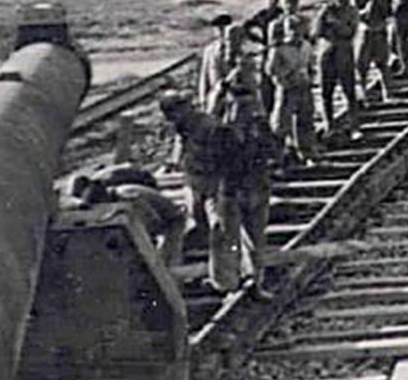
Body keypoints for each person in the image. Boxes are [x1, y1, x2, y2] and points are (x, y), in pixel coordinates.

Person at [210, 57, 283, 300]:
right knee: (231, 241)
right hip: (233, 191)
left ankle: (254, 282)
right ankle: (231, 286)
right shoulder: (221, 132)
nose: (245, 108)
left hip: (253, 188)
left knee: (253, 240)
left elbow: (276, 151)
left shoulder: (255, 126)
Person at [71, 171, 187, 269]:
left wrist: (149, 238)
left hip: (173, 220)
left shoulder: (127, 195)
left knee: (165, 264)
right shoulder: (117, 194)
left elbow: (153, 218)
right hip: (165, 219)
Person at [159, 91, 223, 252]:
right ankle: (204, 244)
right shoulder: (181, 124)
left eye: (173, 114)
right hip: (193, 176)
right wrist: (173, 162)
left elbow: (222, 150)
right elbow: (179, 144)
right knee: (195, 211)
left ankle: (221, 248)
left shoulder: (207, 124)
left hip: (211, 176)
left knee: (215, 214)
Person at [266, 18, 317, 166]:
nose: (294, 31)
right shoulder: (279, 48)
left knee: (305, 120)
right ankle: (279, 158)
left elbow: (310, 64)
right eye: (291, 28)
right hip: (287, 89)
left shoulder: (306, 46)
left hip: (303, 87)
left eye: (297, 28)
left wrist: (310, 77)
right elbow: (271, 70)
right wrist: (285, 77)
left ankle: (306, 153)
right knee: (281, 124)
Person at [314, 0, 360, 136]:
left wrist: (333, 22)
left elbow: (348, 32)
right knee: (326, 92)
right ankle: (329, 125)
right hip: (327, 55)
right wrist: (322, 15)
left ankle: (354, 126)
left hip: (344, 54)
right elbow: (316, 32)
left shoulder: (352, 12)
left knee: (349, 91)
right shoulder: (327, 11)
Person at [355, 0, 395, 102]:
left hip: (379, 30)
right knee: (362, 65)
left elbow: (388, 12)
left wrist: (380, 3)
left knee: (383, 63)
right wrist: (365, 10)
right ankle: (364, 93)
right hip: (365, 31)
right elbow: (354, 15)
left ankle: (387, 93)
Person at [196, 14, 237, 116]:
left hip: (233, 98)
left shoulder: (237, 49)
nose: (220, 31)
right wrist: (202, 98)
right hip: (214, 98)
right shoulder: (209, 50)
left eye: (223, 28)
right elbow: (204, 76)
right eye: (218, 28)